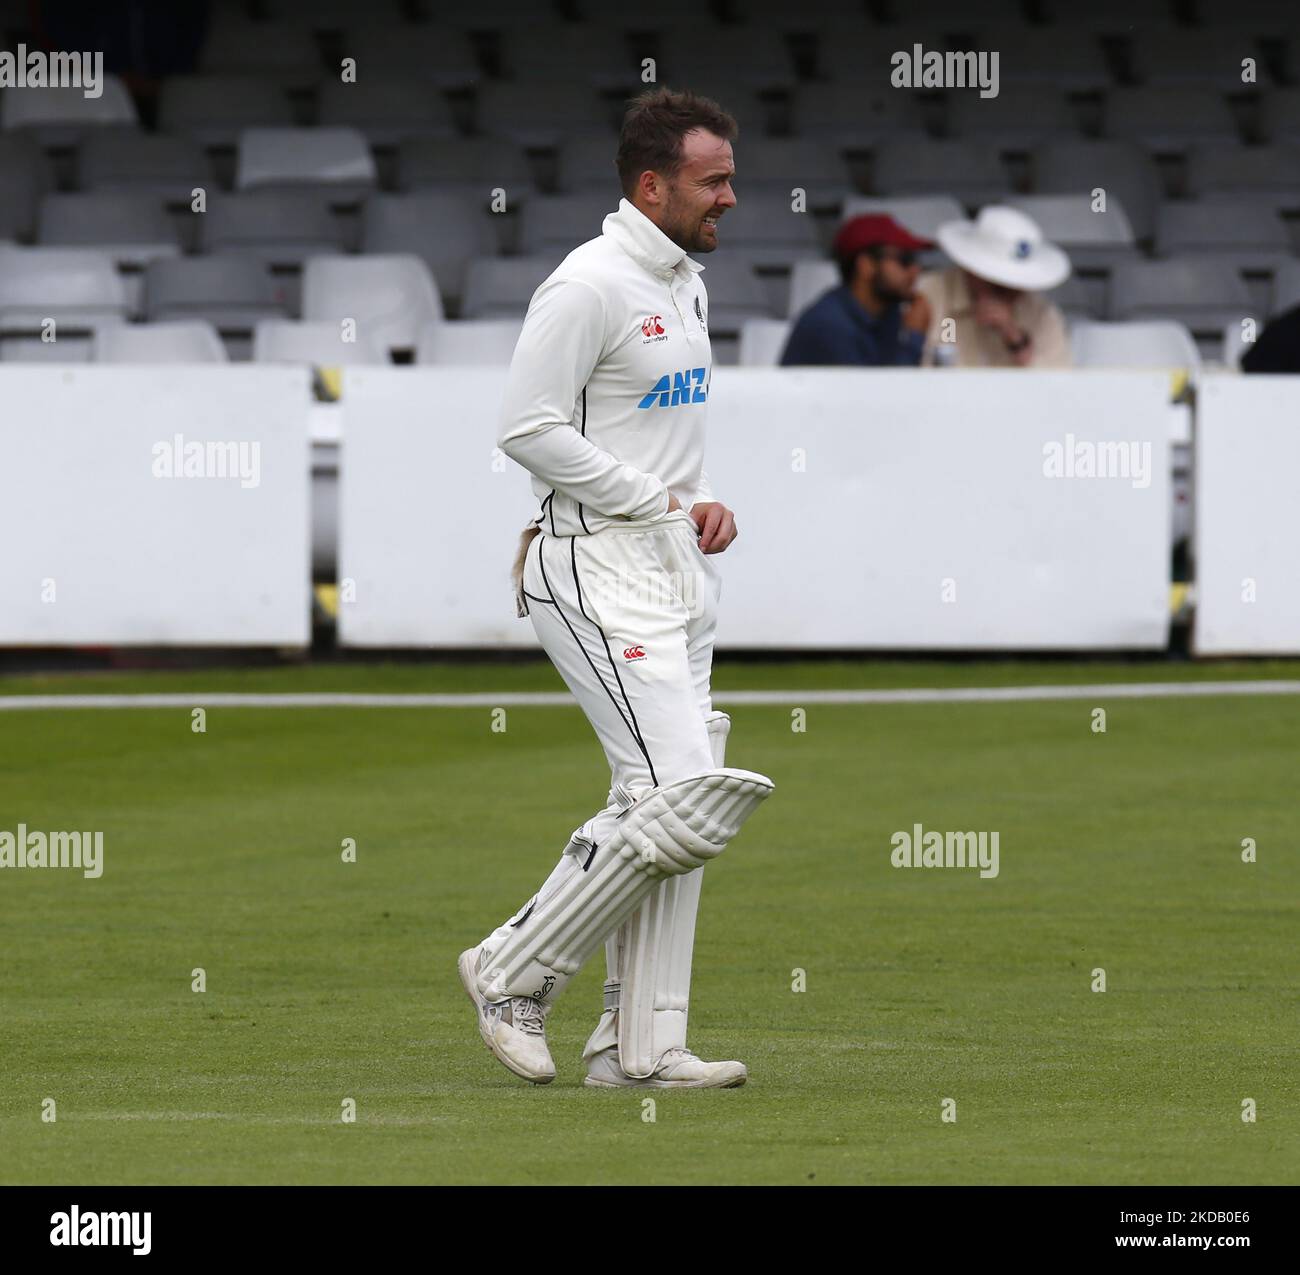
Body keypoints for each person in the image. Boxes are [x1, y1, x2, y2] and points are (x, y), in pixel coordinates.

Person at [458, 87, 774, 1090]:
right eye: (711, 180)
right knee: (684, 798)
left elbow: (665, 431)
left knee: (670, 800)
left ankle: (640, 1049)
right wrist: (652, 500)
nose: (731, 195)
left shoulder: (685, 281)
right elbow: (527, 427)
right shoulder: (587, 285)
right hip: (592, 565)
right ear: (653, 184)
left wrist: (701, 499)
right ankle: (510, 969)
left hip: (671, 565)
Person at [916, 205, 1073, 367]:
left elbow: (1058, 386)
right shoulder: (927, 295)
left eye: (1019, 284)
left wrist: (1015, 339)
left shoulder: (1041, 314)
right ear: (971, 270)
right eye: (997, 284)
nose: (1011, 292)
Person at [780, 213, 934, 366]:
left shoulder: (888, 312)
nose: (915, 271)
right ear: (866, 265)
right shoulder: (829, 325)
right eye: (904, 260)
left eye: (915, 260)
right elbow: (879, 389)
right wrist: (914, 337)